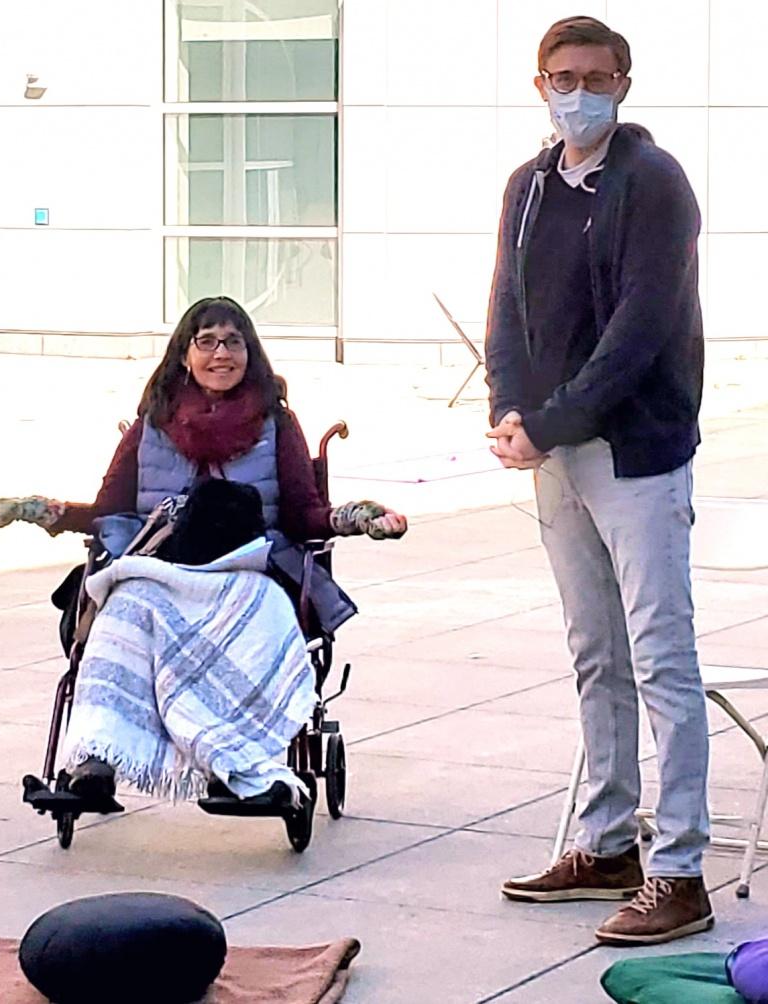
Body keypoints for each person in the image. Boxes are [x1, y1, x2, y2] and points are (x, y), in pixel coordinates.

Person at [0, 296, 406, 801]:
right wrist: (31, 508)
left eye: (234, 341)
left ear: (250, 352)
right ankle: (94, 766)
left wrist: (360, 518)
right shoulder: (153, 424)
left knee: (257, 617)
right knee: (121, 612)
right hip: (162, 568)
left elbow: (305, 514)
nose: (222, 353)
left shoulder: (276, 424)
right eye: (208, 341)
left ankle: (242, 769)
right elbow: (109, 509)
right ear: (184, 354)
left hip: (250, 568)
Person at [484, 17, 709, 945]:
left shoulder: (654, 184)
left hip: (634, 452)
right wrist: (510, 409)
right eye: (562, 76)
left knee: (661, 658)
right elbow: (506, 305)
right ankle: (607, 842)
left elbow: (639, 328)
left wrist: (555, 421)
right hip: (552, 454)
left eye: (596, 76)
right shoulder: (529, 188)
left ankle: (681, 867)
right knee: (595, 656)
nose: (579, 91)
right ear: (539, 84)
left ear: (624, 80)